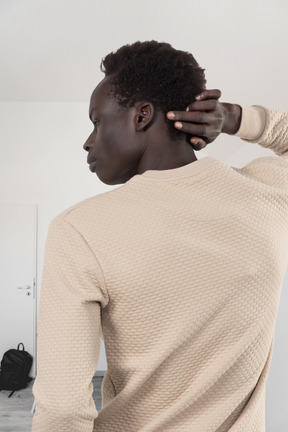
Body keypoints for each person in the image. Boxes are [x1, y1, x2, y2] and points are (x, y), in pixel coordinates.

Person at [32, 41, 288, 432]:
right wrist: (235, 118)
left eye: (97, 121)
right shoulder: (266, 197)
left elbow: (63, 412)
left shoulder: (78, 230)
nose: (88, 140)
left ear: (142, 116)